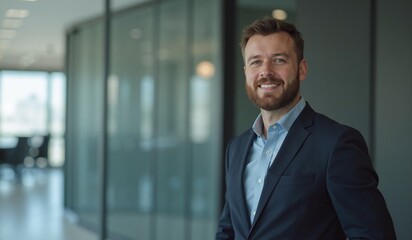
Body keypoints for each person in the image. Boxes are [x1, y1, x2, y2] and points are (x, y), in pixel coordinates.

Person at [216, 16, 396, 240]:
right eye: (255, 62)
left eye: (279, 60)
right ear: (245, 71)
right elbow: (228, 231)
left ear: (302, 69)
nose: (266, 71)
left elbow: (374, 235)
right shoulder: (236, 148)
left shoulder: (336, 144)